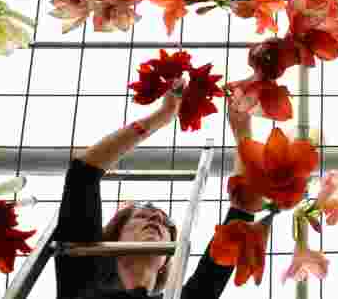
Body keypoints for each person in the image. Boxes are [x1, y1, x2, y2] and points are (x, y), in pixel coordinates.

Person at [53, 86, 261, 299]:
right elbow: (83, 173)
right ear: (114, 239)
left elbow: (242, 212)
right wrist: (163, 115)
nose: (155, 217)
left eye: (165, 224)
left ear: (166, 261)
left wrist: (242, 130)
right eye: (142, 215)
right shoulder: (83, 278)